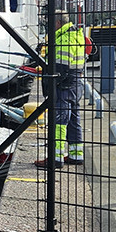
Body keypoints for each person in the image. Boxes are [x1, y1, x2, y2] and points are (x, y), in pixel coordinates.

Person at [36, 12, 86, 168]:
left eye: (51, 23)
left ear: (57, 23)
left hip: (64, 86)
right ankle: (76, 155)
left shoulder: (64, 39)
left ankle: (55, 158)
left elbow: (61, 68)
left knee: (59, 122)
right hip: (76, 84)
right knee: (73, 121)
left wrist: (51, 84)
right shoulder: (76, 34)